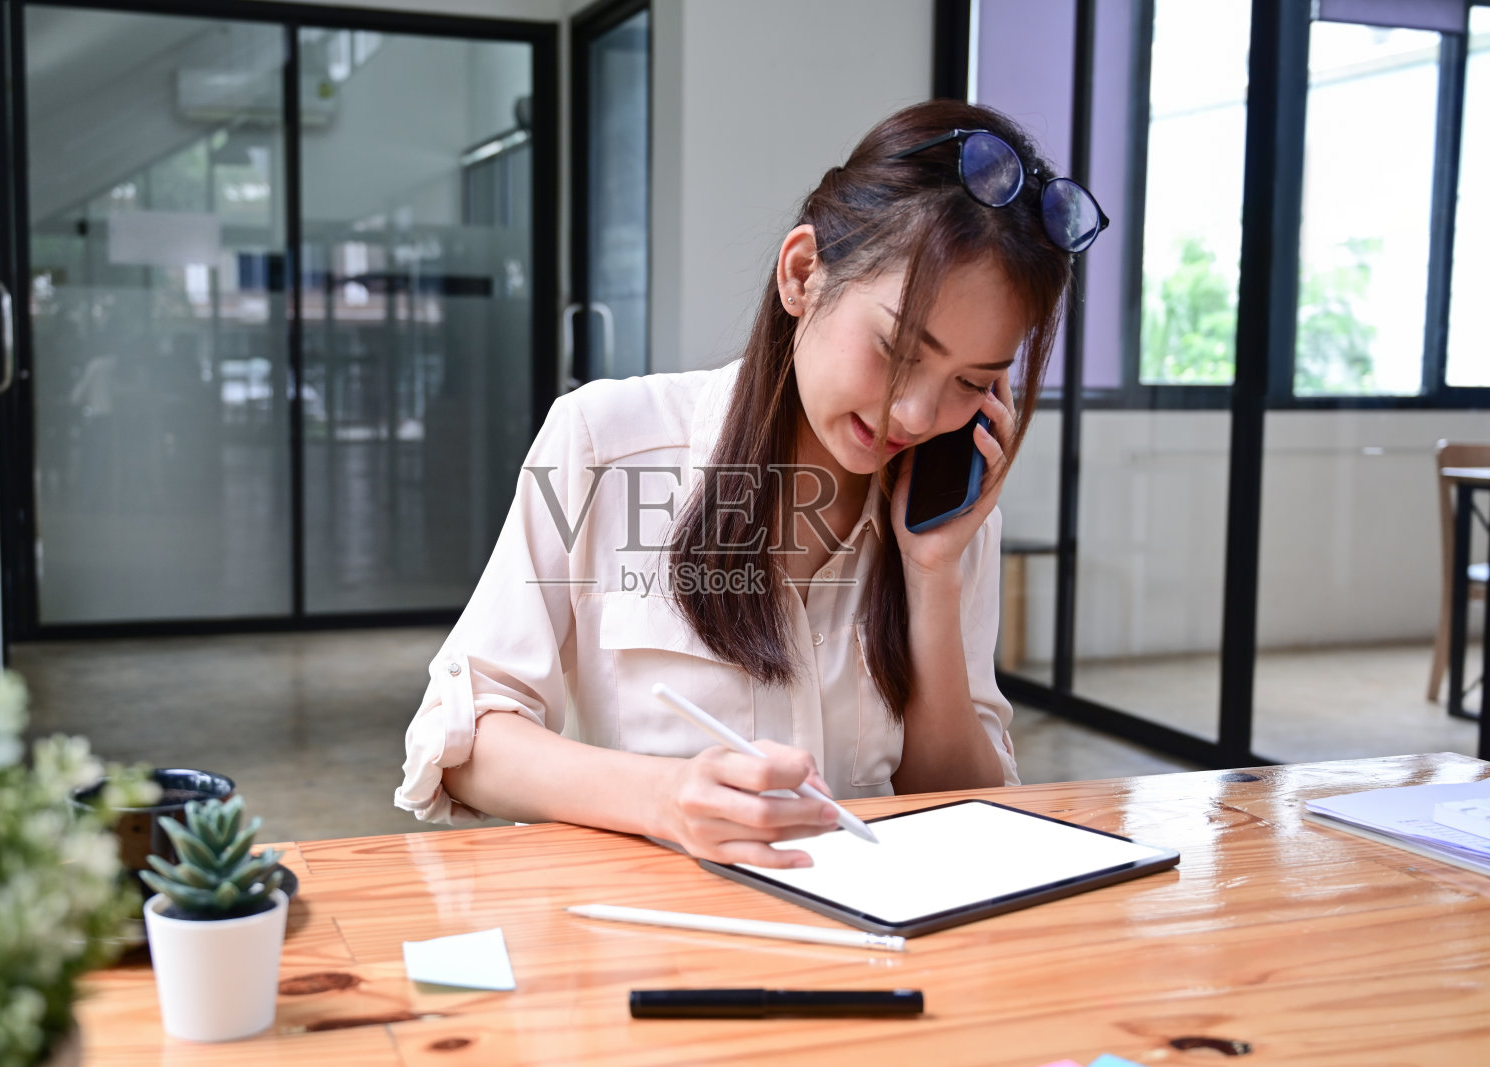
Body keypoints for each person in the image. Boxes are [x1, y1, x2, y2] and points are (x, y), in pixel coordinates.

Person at [396, 99, 1105, 868]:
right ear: (803, 274)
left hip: (873, 947)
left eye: (971, 381)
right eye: (897, 348)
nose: (916, 411)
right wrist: (664, 798)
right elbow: (463, 739)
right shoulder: (608, 442)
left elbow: (961, 804)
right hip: (659, 945)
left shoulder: (946, 513)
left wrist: (931, 576)